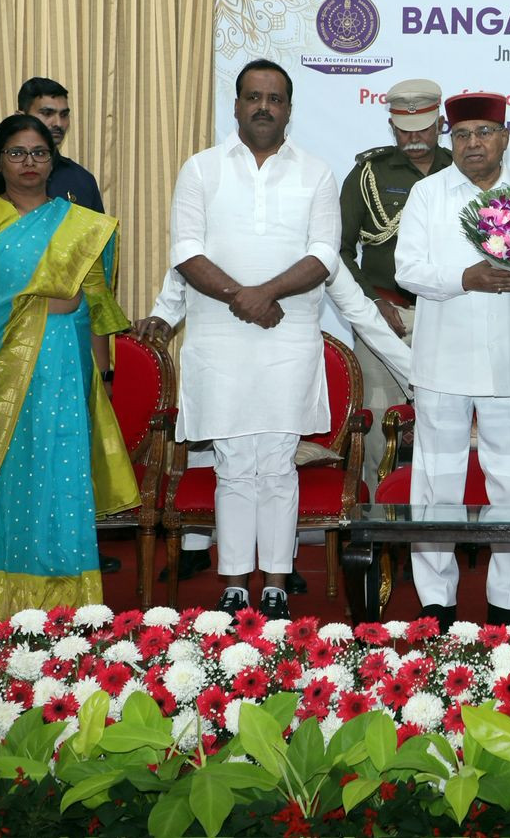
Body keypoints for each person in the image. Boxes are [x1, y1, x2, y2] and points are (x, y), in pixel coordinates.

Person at [0, 114, 137, 618]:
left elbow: (97, 305)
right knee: (6, 492)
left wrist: (101, 378)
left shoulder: (79, 224)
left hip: (65, 379)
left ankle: (70, 607)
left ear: (53, 160)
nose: (28, 163)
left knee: (62, 486)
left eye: (39, 153)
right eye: (16, 153)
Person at [168, 58, 341, 620]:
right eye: (254, 97)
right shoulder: (201, 169)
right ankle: (235, 584)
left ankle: (276, 585)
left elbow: (323, 254)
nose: (264, 107)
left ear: (289, 109)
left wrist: (264, 294)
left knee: (278, 464)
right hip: (221, 340)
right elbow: (186, 251)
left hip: (287, 337)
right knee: (234, 463)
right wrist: (242, 297)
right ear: (237, 104)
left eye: (275, 98)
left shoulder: (316, 172)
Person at [133, 262, 413, 588]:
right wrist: (164, 312)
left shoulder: (315, 248)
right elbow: (189, 260)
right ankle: (235, 588)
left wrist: (415, 377)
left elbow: (360, 310)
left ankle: (276, 583)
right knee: (233, 470)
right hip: (227, 361)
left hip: (286, 362)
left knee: (278, 471)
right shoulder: (213, 236)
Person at [395, 92, 510, 631]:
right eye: (461, 135)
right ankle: (437, 602)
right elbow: (407, 269)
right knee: (437, 482)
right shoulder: (428, 194)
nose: (472, 143)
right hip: (443, 360)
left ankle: (507, 604)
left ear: (504, 137)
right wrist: (465, 278)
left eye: (483, 132)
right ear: (449, 140)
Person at [339, 78, 454, 478]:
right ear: (392, 126)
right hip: (384, 318)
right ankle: (375, 511)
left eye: (422, 127)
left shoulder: (460, 171)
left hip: (449, 316)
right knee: (377, 425)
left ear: (440, 124)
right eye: (404, 129)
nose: (414, 138)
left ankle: (442, 507)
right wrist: (371, 303)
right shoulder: (368, 174)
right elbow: (339, 250)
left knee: (449, 423)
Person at [0, 77, 103, 211]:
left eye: (64, 115)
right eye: (47, 113)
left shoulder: (82, 180)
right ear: (21, 116)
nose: (58, 123)